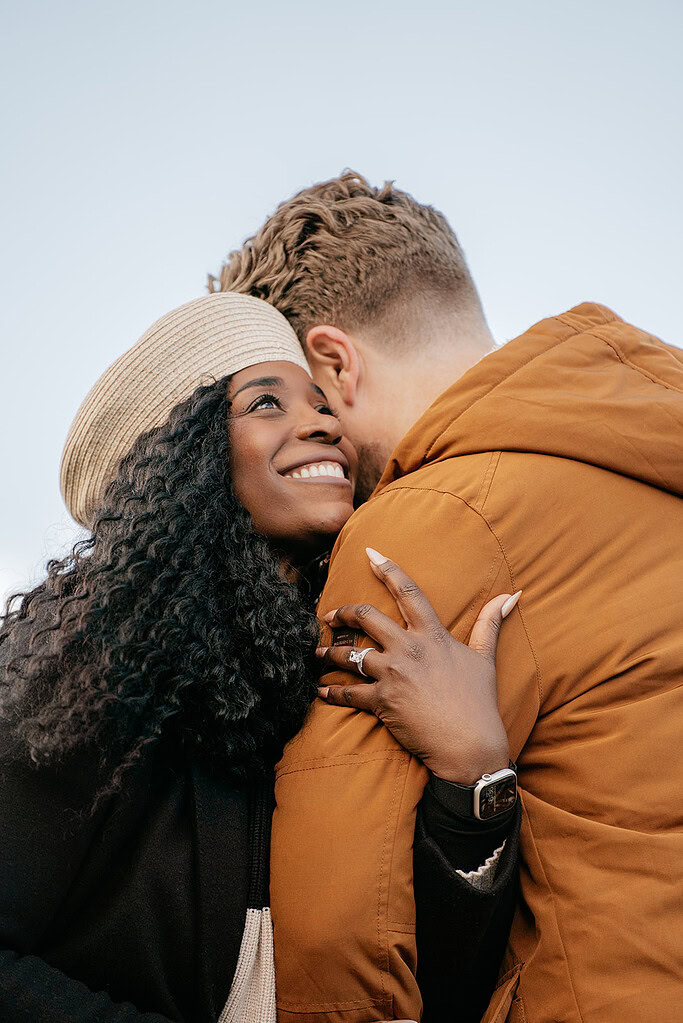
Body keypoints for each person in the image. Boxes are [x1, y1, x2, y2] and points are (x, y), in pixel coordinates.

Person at [214, 172, 683, 1023]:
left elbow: (339, 931)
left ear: (335, 361)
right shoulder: (647, 451)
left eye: (303, 398)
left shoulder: (426, 523)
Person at [0, 292, 521, 1023]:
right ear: (186, 464)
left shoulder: (352, 676)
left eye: (321, 404)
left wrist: (473, 774)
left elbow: (440, 987)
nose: (325, 424)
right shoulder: (78, 690)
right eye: (265, 403)